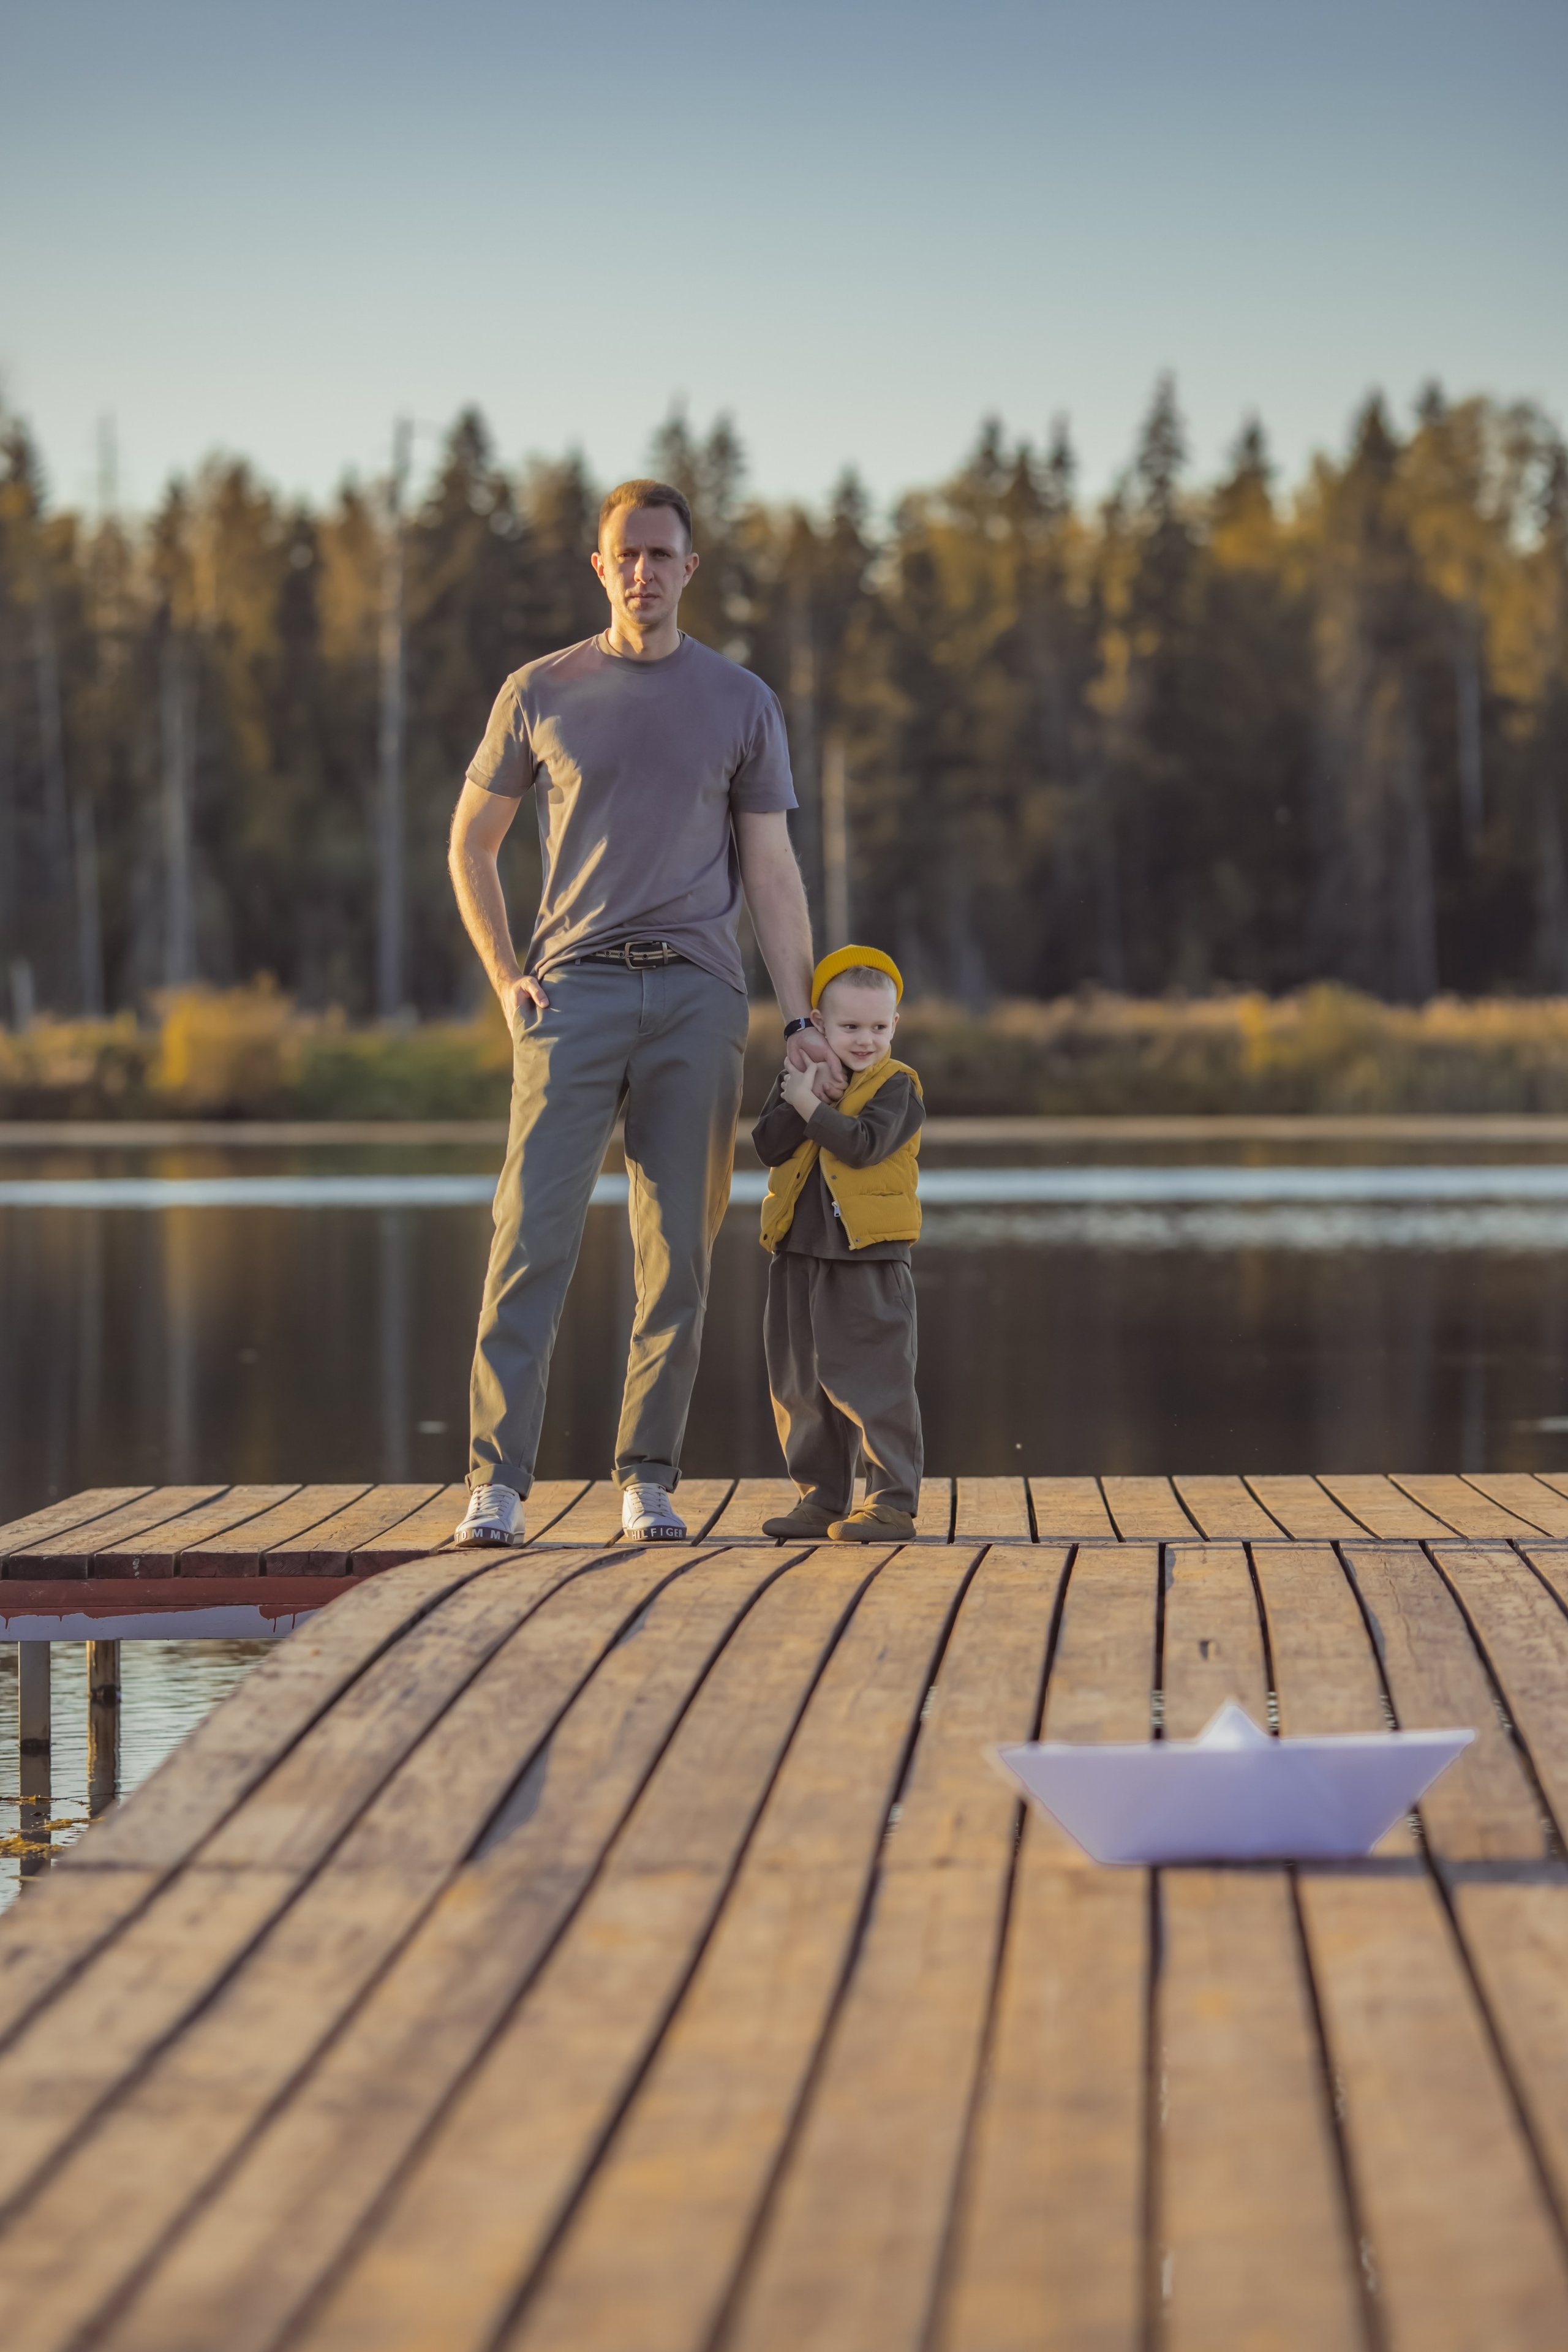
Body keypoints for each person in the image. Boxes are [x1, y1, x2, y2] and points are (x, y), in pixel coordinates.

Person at [448, 479, 841, 1547]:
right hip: (571, 994)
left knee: (679, 1251)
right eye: (627, 555)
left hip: (697, 999)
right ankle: (497, 1485)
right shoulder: (540, 690)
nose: (645, 573)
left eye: (663, 556)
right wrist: (504, 978)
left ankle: (647, 1480)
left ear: (689, 569)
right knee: (529, 1234)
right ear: (601, 565)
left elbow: (772, 870)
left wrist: (800, 1015)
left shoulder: (741, 701)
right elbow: (470, 844)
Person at [750, 946, 925, 1542]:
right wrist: (797, 1095)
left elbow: (863, 1146)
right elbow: (768, 1146)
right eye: (850, 1026)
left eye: (879, 1027)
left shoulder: (897, 1087)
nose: (865, 1040)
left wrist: (809, 1107)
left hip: (867, 1255)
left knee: (874, 1379)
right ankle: (820, 1500)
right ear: (820, 1024)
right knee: (800, 1382)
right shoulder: (800, 1076)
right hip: (798, 1250)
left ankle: (891, 1503)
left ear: (894, 1026)